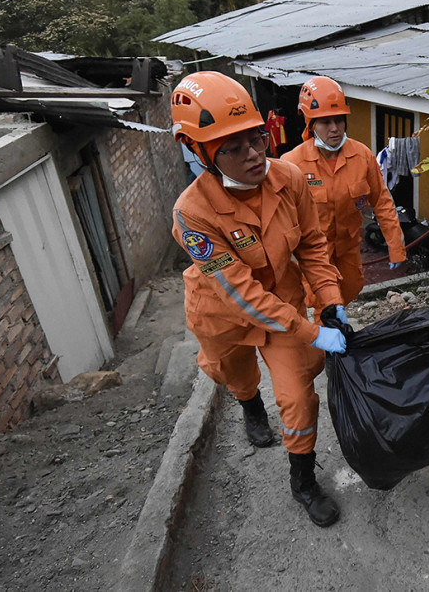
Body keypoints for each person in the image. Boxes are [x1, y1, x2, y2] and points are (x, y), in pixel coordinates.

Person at [170, 70, 349, 528]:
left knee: (299, 398)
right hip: (222, 314)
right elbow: (239, 294)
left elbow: (312, 244)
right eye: (232, 148)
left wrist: (329, 300)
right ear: (199, 152)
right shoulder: (192, 214)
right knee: (236, 374)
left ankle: (303, 482)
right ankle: (250, 405)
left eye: (255, 138)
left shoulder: (289, 178)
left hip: (284, 306)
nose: (253, 154)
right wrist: (313, 331)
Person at [282, 76, 407, 310]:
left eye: (339, 120)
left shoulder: (362, 157)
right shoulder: (291, 165)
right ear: (310, 124)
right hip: (314, 257)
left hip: (349, 249)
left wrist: (395, 247)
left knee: (351, 288)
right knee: (325, 305)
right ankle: (329, 338)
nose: (334, 129)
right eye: (325, 122)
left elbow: (381, 201)